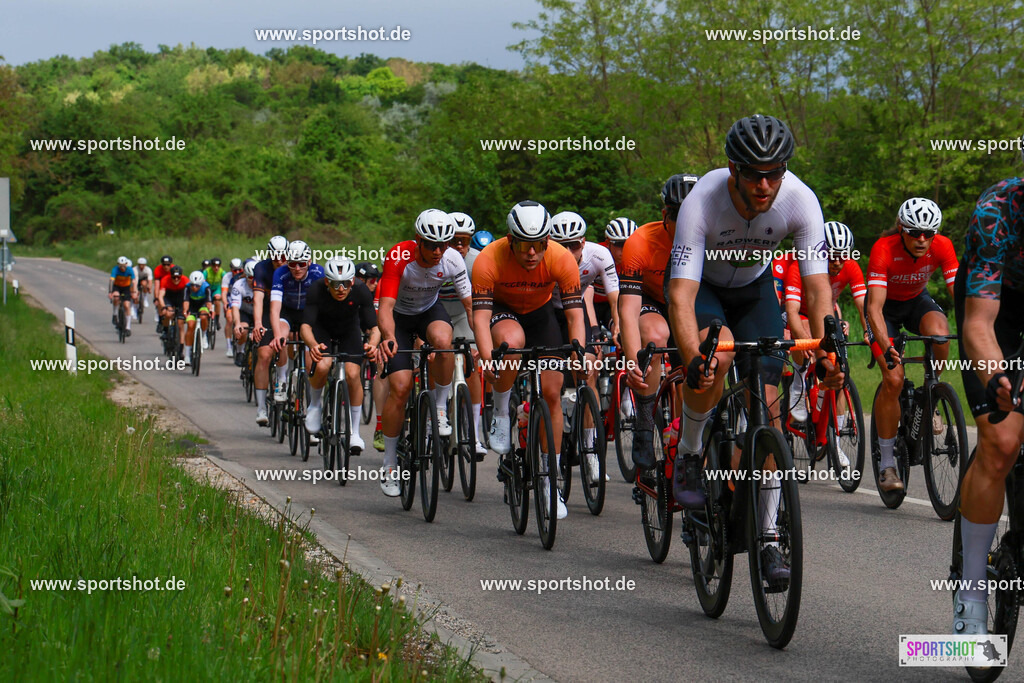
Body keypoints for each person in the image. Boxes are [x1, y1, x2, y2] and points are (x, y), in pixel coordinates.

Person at [666, 114, 841, 587]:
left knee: (769, 405)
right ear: (733, 169)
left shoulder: (800, 199)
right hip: (703, 289)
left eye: (774, 172)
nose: (764, 185)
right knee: (716, 356)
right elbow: (680, 295)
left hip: (754, 290)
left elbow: (817, 287)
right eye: (753, 174)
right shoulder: (703, 200)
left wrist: (829, 347)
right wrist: (693, 357)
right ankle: (690, 451)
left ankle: (767, 537)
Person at [472, 201, 584, 519]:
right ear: (510, 240)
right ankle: (501, 410)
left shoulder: (561, 258)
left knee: (552, 393)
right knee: (512, 343)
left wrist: (578, 351)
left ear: (548, 240)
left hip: (540, 315)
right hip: (503, 311)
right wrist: (487, 358)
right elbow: (480, 318)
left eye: (539, 244)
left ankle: (550, 481)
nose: (532, 253)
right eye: (524, 245)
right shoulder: (488, 258)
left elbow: (575, 315)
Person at [953, 171, 1024, 635]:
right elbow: (979, 325)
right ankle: (971, 594)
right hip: (997, 308)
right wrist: (998, 377)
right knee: (1000, 443)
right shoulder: (996, 213)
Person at [865, 197, 958, 492]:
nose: (922, 240)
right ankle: (887, 464)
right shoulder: (883, 249)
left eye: (928, 234)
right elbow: (874, 308)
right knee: (893, 379)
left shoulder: (943, 246)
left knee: (940, 334)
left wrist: (976, 329)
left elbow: (959, 294)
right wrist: (885, 345)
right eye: (915, 232)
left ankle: (931, 393)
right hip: (884, 310)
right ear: (901, 229)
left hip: (916, 300)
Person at [377, 209, 471, 497]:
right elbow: (386, 306)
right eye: (431, 245)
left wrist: (482, 343)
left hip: (429, 311)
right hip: (400, 318)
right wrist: (388, 337)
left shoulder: (453, 259)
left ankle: (439, 408)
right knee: (400, 387)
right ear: (418, 240)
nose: (437, 251)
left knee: (444, 341)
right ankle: (389, 463)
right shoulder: (399, 256)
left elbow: (470, 306)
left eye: (443, 245)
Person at [619, 173, 699, 474]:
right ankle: (644, 423)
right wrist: (632, 362)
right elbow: (628, 310)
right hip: (653, 302)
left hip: (690, 302)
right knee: (654, 335)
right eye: (681, 217)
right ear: (665, 215)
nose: (690, 225)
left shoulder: (714, 238)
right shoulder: (640, 242)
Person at [549, 210, 620, 482]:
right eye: (561, 246)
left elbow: (614, 295)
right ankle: (557, 422)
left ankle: (591, 451)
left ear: (583, 242)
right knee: (552, 376)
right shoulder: (545, 257)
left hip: (576, 310)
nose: (568, 252)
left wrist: (617, 324)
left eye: (573, 245)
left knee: (589, 370)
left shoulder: (599, 255)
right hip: (549, 313)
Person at [783, 221, 868, 425]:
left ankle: (832, 429)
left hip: (825, 313)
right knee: (804, 332)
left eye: (843, 256)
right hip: (799, 313)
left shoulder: (851, 266)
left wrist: (869, 331)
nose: (837, 262)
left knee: (839, 364)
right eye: (831, 256)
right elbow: (791, 311)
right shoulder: (800, 267)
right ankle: (798, 385)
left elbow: (863, 304)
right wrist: (801, 339)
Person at [301, 257, 380, 454]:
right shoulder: (316, 289)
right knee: (323, 365)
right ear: (327, 281)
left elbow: (374, 327)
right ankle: (315, 405)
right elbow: (305, 326)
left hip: (348, 331)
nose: (341, 289)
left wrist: (372, 345)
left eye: (346, 283)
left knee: (353, 374)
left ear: (352, 281)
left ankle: (354, 432)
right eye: (336, 284)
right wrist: (313, 345)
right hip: (322, 330)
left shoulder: (361, 290)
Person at [438, 211, 487, 458]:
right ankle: (433, 415)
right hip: (437, 313)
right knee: (436, 358)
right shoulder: (436, 258)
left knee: (472, 368)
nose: (459, 245)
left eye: (465, 240)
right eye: (454, 240)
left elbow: (481, 306)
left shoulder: (478, 261)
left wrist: (481, 341)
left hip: (464, 315)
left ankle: (474, 434)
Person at [252, 235, 290, 426]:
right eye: (275, 257)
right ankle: (261, 408)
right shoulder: (261, 268)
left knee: (287, 343)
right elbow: (258, 299)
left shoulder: (294, 267)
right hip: (268, 311)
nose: (280, 260)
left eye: (283, 256)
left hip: (288, 310)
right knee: (264, 355)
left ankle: (284, 379)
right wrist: (258, 323)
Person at [228, 260, 256, 366]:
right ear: (246, 276)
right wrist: (237, 324)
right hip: (244, 312)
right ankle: (240, 351)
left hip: (259, 312)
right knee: (243, 330)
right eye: (250, 278)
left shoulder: (264, 284)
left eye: (255, 278)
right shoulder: (239, 285)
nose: (253, 281)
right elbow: (235, 307)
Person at [182, 270, 212, 363]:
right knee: (190, 326)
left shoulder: (206, 287)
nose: (194, 288)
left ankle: (204, 335)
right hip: (192, 306)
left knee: (203, 316)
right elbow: (186, 301)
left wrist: (210, 311)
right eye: (192, 285)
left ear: (201, 284)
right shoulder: (187, 287)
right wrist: (185, 311)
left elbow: (209, 302)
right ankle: (187, 354)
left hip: (202, 305)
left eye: (197, 286)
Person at [108, 256, 137, 336]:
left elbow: (134, 281)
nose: (122, 268)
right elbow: (111, 281)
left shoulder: (129, 270)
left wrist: (134, 292)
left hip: (126, 288)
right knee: (116, 297)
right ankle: (115, 314)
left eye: (124, 266)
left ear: (126, 264)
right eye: (120, 266)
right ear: (118, 265)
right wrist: (110, 292)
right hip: (117, 287)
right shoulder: (115, 269)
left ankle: (128, 327)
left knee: (127, 305)